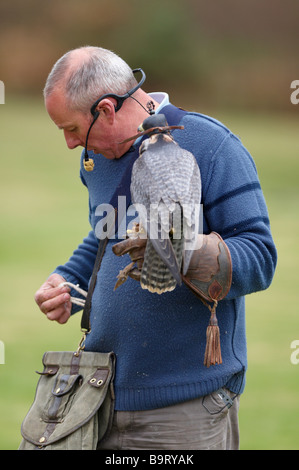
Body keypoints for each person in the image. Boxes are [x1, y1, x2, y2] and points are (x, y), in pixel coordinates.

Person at [34, 46, 277, 450]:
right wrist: (67, 280)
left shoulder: (212, 146)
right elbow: (105, 235)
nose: (70, 144)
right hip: (98, 394)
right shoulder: (97, 158)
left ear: (107, 109)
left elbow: (260, 257)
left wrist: (182, 252)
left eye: (72, 129)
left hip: (184, 407)